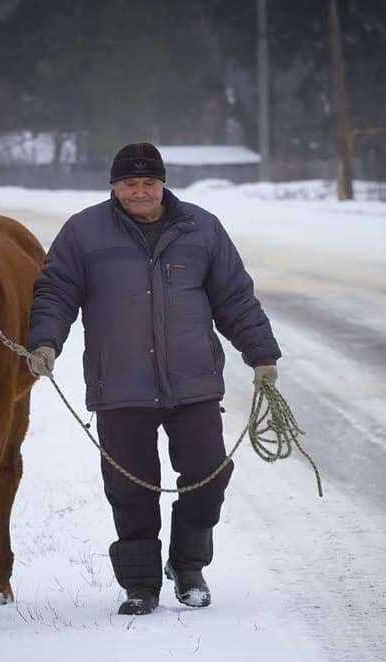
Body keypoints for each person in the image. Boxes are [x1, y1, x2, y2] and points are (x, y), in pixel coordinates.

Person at [26, 142, 281, 615]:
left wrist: (261, 354)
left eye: (148, 182)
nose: (139, 192)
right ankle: (141, 586)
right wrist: (46, 342)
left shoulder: (201, 228)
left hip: (193, 382)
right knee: (131, 489)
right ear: (114, 186)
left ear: (162, 184)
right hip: (120, 385)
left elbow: (235, 298)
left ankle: (187, 567)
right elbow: (55, 292)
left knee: (207, 475)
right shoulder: (83, 233)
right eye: (129, 183)